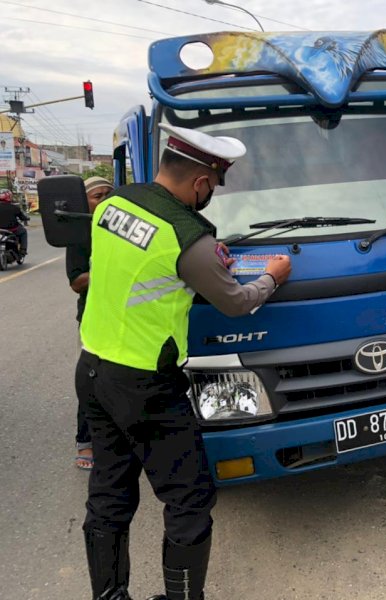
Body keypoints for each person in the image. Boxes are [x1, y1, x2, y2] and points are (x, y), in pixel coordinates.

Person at [76, 123, 292, 600]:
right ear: (199, 181)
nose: (211, 193)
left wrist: (204, 266)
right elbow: (236, 302)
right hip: (147, 386)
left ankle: (109, 596)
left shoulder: (114, 205)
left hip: (92, 370)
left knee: (109, 495)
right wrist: (273, 277)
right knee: (188, 500)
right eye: (213, 185)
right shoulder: (187, 236)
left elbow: (139, 268)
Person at [66, 176, 114, 470]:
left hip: (125, 315)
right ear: (85, 203)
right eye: (98, 196)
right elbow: (76, 281)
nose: (105, 201)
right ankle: (86, 442)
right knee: (92, 378)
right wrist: (109, 271)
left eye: (109, 194)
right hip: (94, 315)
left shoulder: (123, 232)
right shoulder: (80, 234)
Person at [0, 188, 29, 255]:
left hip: (1, 230)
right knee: (23, 232)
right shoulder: (14, 207)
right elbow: (22, 217)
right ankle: (23, 250)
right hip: (12, 230)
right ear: (9, 197)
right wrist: (26, 218)